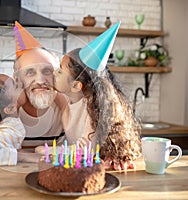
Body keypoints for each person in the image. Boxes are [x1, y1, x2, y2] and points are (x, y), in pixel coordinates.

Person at [53, 22, 142, 170]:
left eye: (60, 71)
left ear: (76, 86)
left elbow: (84, 149)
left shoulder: (94, 108)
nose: (55, 72)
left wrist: (49, 151)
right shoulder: (67, 101)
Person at [13, 22, 67, 148]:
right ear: (17, 79)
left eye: (47, 71)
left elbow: (84, 146)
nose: (41, 81)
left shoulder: (68, 105)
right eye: (30, 72)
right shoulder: (2, 107)